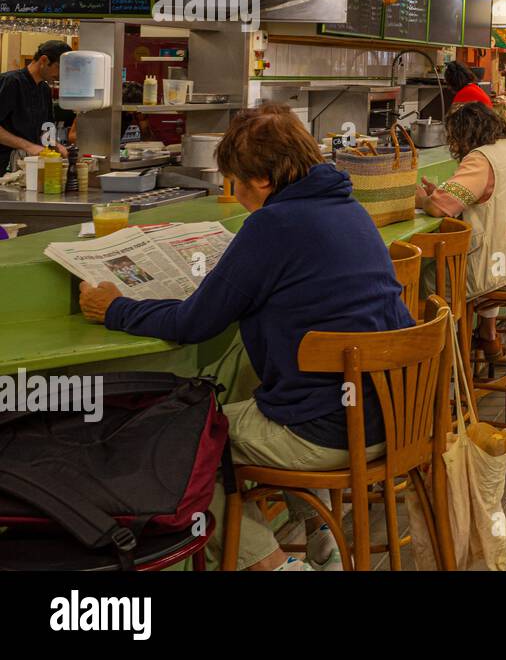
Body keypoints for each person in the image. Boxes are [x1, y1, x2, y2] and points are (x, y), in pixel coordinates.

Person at [78, 104, 413, 571]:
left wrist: (114, 308)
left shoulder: (272, 225)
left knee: (177, 445)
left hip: (331, 432)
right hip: (393, 417)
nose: (231, 193)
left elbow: (193, 325)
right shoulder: (349, 208)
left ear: (258, 181)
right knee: (250, 390)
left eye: (232, 181)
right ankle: (321, 535)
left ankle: (273, 566)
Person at [414, 102, 506, 359]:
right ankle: (486, 335)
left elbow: (439, 207)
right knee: (479, 257)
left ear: (464, 135)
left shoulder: (481, 158)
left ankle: (441, 363)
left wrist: (424, 200)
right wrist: (443, 195)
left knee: (431, 278)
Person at [0, 39, 72, 169]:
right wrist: (28, 146)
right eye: (59, 68)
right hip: (4, 166)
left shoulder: (44, 89)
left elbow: (46, 127)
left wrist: (55, 144)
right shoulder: (11, 82)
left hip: (30, 165)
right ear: (44, 60)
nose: (62, 75)